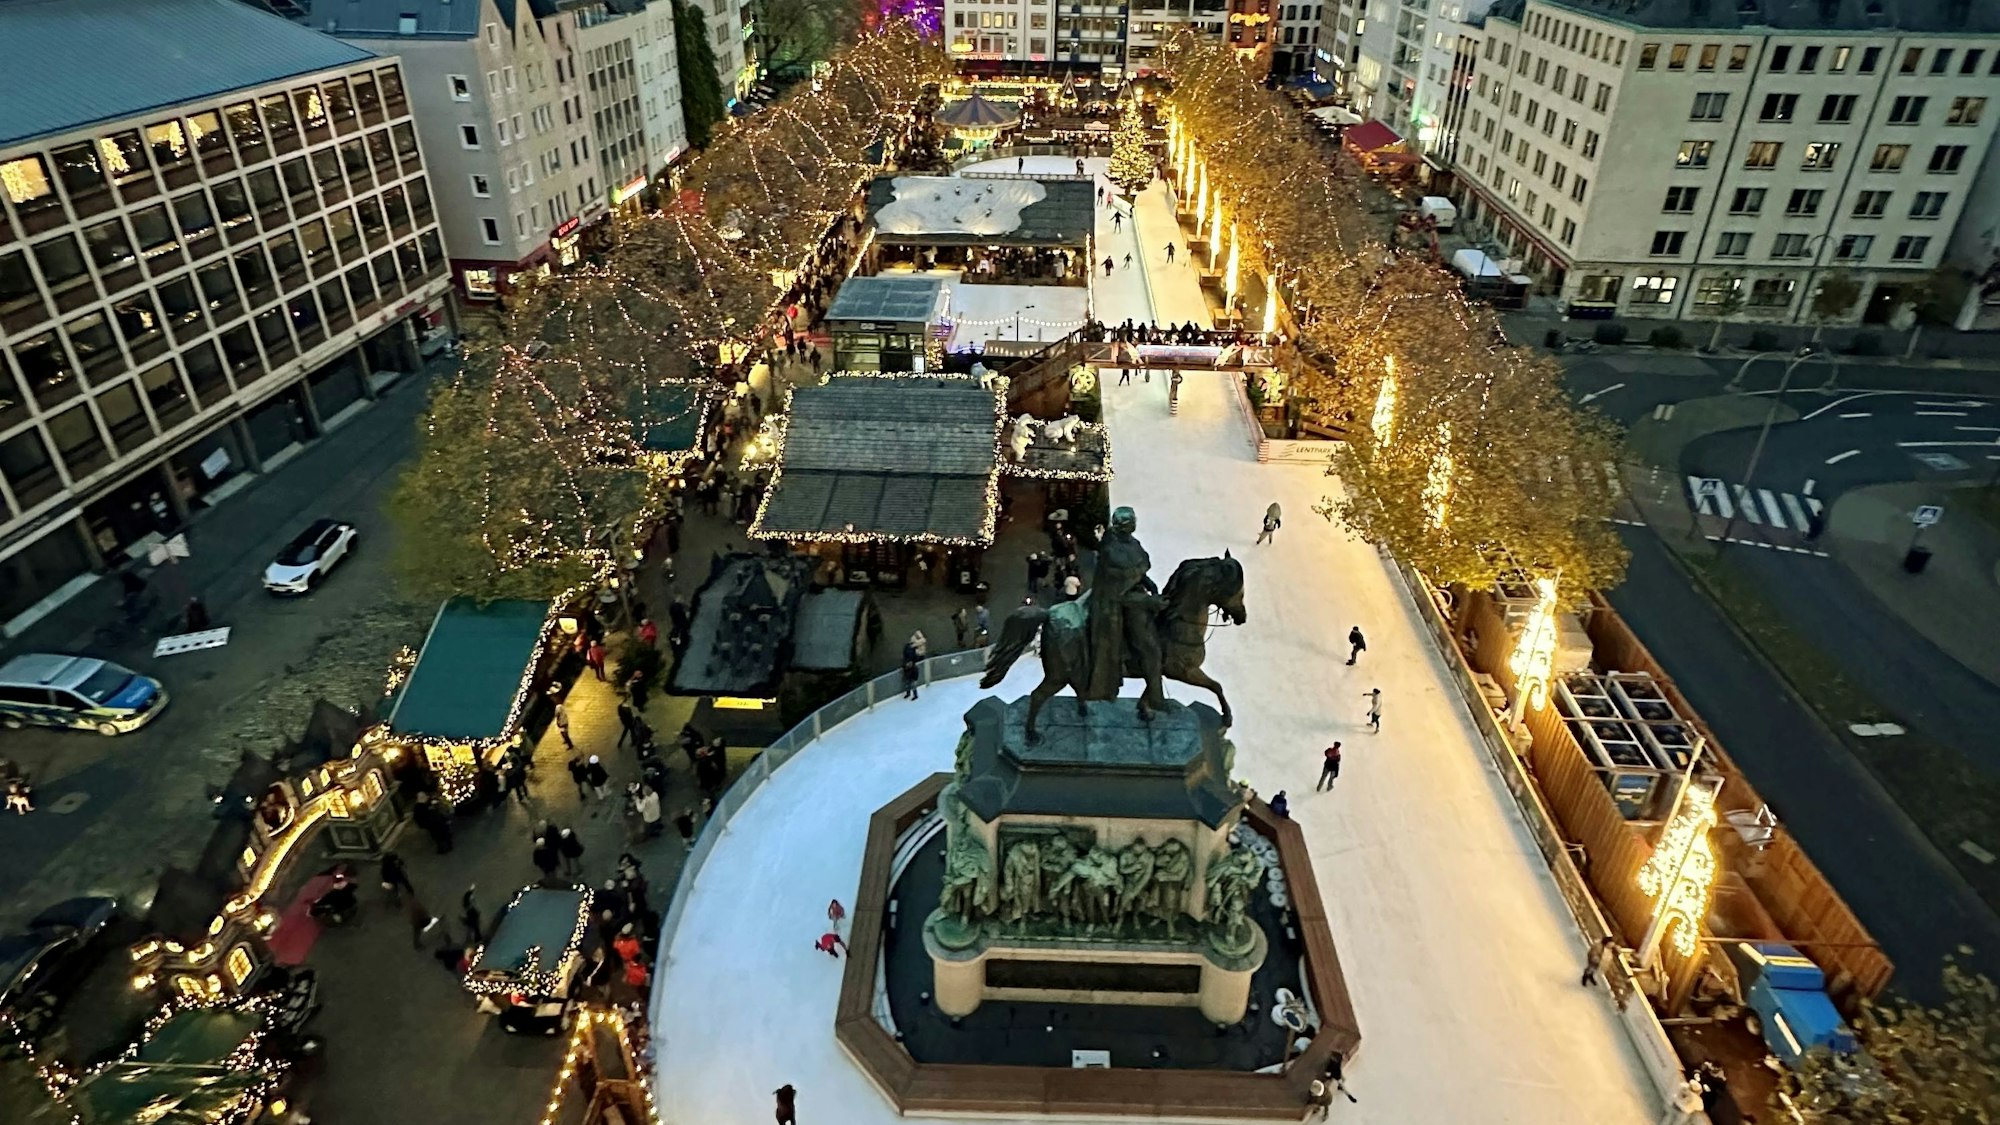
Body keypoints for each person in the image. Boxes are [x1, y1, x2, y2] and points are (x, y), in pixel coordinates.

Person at [1085, 507, 1165, 707]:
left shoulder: (1130, 542)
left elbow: (1137, 572)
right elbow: (1118, 593)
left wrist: (1148, 583)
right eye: (1131, 521)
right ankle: (1152, 694)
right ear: (1124, 525)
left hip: (1133, 594)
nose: (1135, 523)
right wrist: (1148, 601)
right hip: (1112, 604)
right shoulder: (1111, 551)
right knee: (1149, 647)